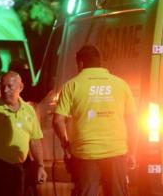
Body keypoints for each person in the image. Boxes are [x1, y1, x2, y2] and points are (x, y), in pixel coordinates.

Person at [53, 45, 138, 196]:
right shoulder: (121, 84)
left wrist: (66, 145)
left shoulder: (72, 85)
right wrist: (132, 151)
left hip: (85, 154)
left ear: (80, 64)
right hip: (116, 151)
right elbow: (132, 120)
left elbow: (57, 120)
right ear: (100, 63)